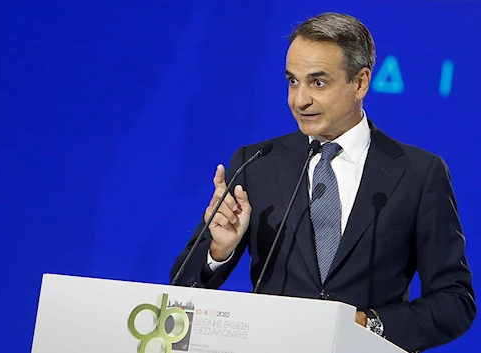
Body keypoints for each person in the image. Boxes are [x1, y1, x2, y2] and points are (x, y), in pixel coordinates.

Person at [169, 12, 476, 353]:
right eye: (292, 81)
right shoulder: (256, 164)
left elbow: (454, 301)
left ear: (360, 83)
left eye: (318, 83)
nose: (299, 101)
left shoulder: (419, 172)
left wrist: (369, 324)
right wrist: (219, 251)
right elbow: (183, 285)